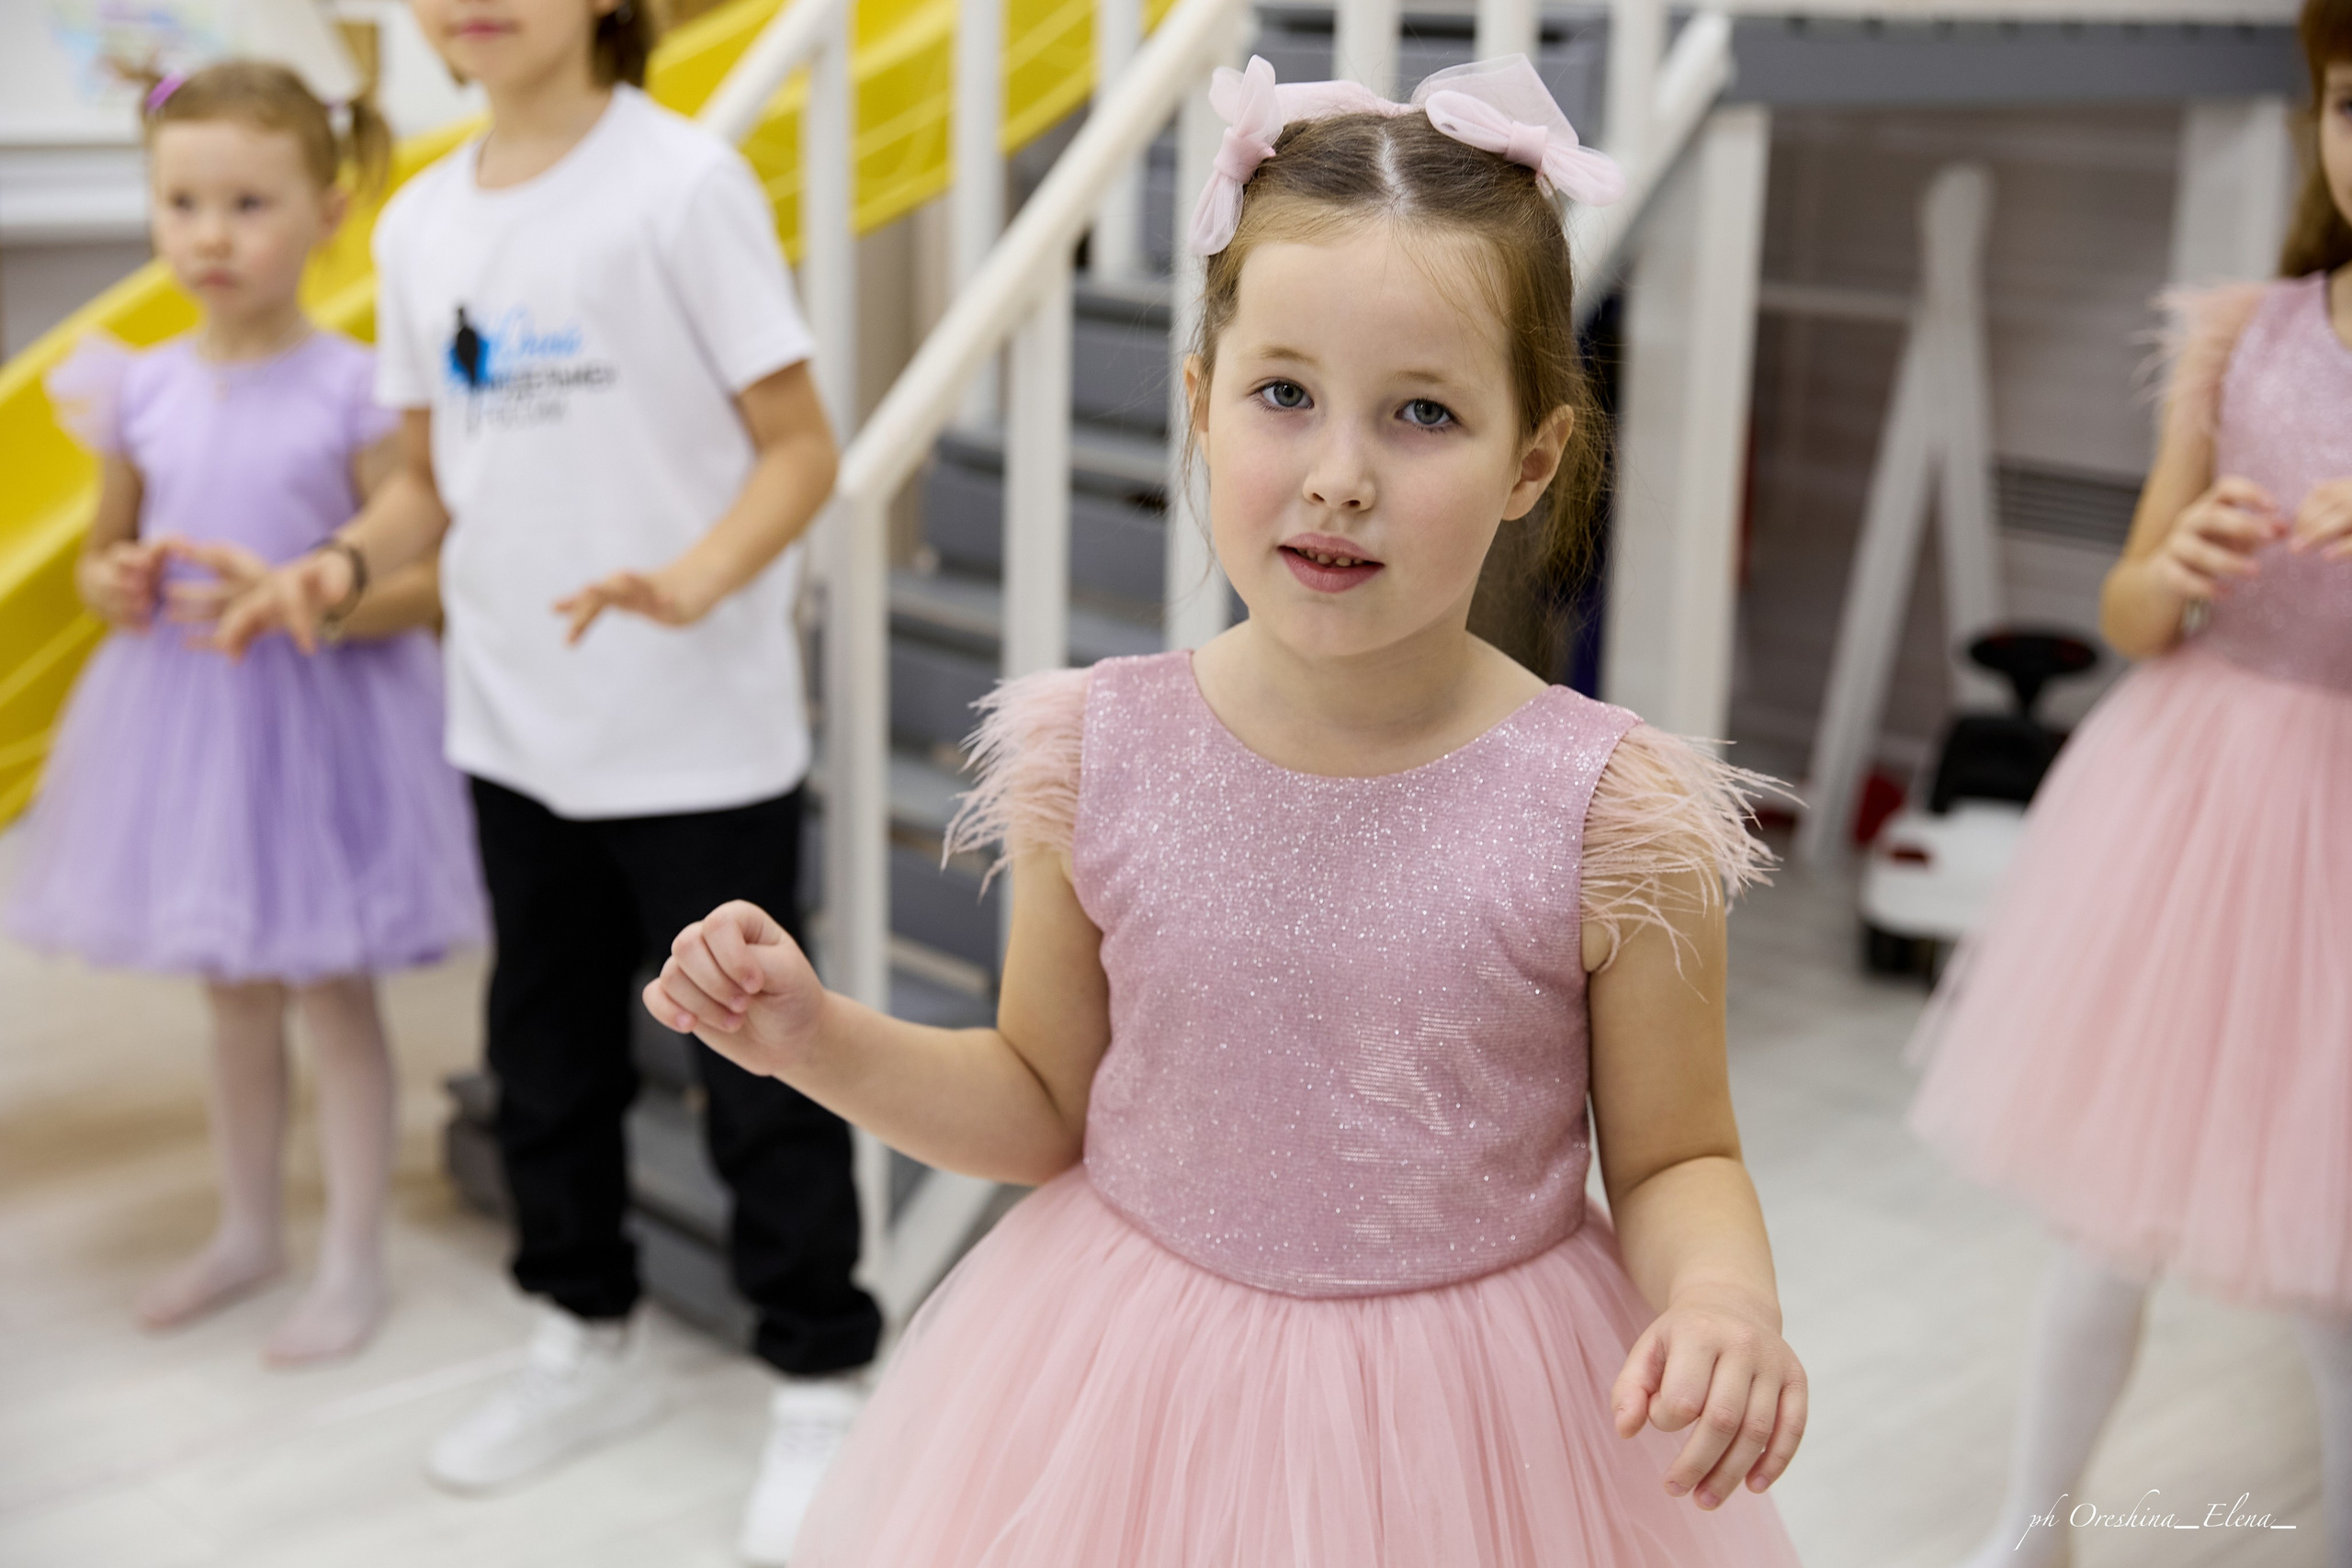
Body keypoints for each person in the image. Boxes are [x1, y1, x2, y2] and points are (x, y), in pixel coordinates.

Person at [644, 55, 1810, 1565]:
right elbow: (1039, 1104)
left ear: (1533, 459)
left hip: (1469, 1433)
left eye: (1421, 416)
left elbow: (1674, 1159)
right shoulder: (1101, 752)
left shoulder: (1608, 814)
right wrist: (814, 1040)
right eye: (1284, 396)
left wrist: (1724, 1301)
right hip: (1129, 1377)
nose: (1337, 478)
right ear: (1201, 405)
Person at [209, 0, 875, 1551]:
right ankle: (586, 1332)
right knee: (547, 1050)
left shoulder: (682, 185)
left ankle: (821, 1370)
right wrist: (333, 565)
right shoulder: (424, 219)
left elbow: (798, 447)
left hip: (696, 734)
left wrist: (695, 580)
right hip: (510, 723)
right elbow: (423, 483)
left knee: (756, 1064)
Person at [1905, 2, 2352, 1562]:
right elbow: (2128, 613)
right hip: (2196, 791)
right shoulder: (2244, 334)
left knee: (2329, 1269)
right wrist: (2180, 560)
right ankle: (2036, 1531)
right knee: (2103, 1222)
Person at [6, 61, 483, 1367]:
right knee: (231, 998)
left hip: (325, 723)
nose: (210, 234)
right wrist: (122, 578)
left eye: (248, 204)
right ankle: (248, 1230)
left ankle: (351, 1260)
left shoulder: (355, 392)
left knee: (334, 997)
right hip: (188, 728)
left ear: (328, 212)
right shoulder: (131, 389)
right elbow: (109, 567)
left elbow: (423, 583)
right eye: (184, 203)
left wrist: (303, 596)